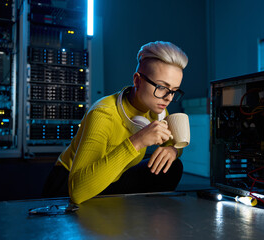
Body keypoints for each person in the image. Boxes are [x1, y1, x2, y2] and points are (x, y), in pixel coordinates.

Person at [43, 41, 188, 204]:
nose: (168, 98)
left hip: (115, 176)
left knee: (173, 166)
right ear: (137, 81)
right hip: (70, 183)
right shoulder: (103, 114)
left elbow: (174, 142)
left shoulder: (158, 109)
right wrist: (137, 141)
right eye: (162, 87)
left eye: (174, 91)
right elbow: (77, 191)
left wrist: (172, 150)